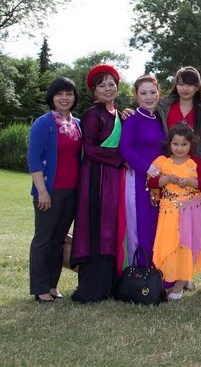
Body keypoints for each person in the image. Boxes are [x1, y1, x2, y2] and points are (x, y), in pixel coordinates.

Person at [71, 64, 125, 303]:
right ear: (94, 91)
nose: (107, 88)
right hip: (96, 177)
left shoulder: (119, 113)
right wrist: (121, 159)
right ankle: (92, 287)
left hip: (114, 178)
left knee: (111, 227)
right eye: (101, 85)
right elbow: (90, 148)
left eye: (111, 84)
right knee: (95, 227)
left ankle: (110, 284)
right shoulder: (93, 115)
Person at [27, 77, 82, 303]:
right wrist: (42, 191)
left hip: (72, 192)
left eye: (68, 93)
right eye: (59, 94)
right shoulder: (44, 122)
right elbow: (34, 159)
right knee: (44, 239)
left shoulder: (77, 123)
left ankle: (52, 285)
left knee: (60, 240)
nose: (64, 98)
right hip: (49, 191)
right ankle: (39, 289)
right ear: (52, 97)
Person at [149, 123, 201, 301]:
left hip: (191, 212)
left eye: (184, 144)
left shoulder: (195, 162)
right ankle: (172, 280)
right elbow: (150, 182)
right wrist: (165, 179)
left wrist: (191, 182)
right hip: (168, 212)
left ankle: (180, 284)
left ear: (191, 145)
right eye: (176, 144)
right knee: (170, 246)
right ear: (169, 144)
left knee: (186, 246)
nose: (180, 148)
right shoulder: (162, 162)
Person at [119, 75, 165, 266]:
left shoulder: (158, 120)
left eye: (152, 92)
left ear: (158, 93)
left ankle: (155, 272)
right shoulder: (132, 119)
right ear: (136, 96)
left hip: (158, 182)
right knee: (139, 226)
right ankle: (137, 272)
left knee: (155, 226)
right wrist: (146, 167)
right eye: (143, 93)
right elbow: (125, 148)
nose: (149, 97)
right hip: (137, 180)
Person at [155, 66, 201, 160]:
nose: (185, 88)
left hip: (194, 168)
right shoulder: (162, 108)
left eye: (190, 85)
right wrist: (128, 113)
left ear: (197, 87)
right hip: (166, 165)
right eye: (181, 84)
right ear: (176, 86)